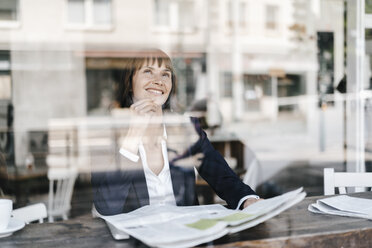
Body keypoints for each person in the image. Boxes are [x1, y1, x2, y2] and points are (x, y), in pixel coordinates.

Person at [91, 49, 259, 215]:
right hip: (135, 240)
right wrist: (133, 136)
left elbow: (221, 175)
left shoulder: (186, 128)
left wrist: (246, 199)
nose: (158, 81)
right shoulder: (106, 136)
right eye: (148, 72)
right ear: (130, 82)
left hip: (183, 235)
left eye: (165, 74)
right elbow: (107, 207)